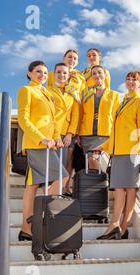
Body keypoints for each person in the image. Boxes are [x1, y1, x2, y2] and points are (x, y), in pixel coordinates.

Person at [97, 70, 140, 240]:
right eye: (128, 79)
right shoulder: (122, 102)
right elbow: (116, 130)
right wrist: (104, 146)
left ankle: (121, 226)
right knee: (119, 189)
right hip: (117, 151)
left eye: (134, 80)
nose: (130, 82)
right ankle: (115, 226)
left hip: (131, 151)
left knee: (129, 189)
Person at [17, 61, 68, 241]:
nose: (42, 75)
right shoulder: (27, 90)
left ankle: (27, 228)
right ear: (29, 73)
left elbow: (53, 121)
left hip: (48, 145)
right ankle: (39, 217)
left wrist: (57, 138)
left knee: (32, 185)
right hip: (36, 144)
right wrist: (41, 138)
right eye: (38, 71)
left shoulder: (47, 93)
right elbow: (23, 119)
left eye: (45, 73)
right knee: (62, 177)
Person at [47, 49, 85, 193]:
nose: (72, 60)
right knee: (53, 162)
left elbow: (78, 105)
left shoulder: (80, 78)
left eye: (75, 58)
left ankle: (64, 187)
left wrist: (72, 132)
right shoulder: (51, 75)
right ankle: (52, 189)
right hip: (51, 128)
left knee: (68, 159)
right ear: (64, 58)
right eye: (69, 57)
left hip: (69, 127)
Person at [78, 65, 119, 170]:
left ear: (105, 75)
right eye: (94, 73)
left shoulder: (114, 95)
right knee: (91, 163)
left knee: (102, 163)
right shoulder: (85, 93)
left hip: (105, 135)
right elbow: (80, 114)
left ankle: (105, 183)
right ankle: (99, 185)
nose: (97, 75)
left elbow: (116, 117)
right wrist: (77, 133)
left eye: (99, 72)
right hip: (87, 136)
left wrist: (116, 134)